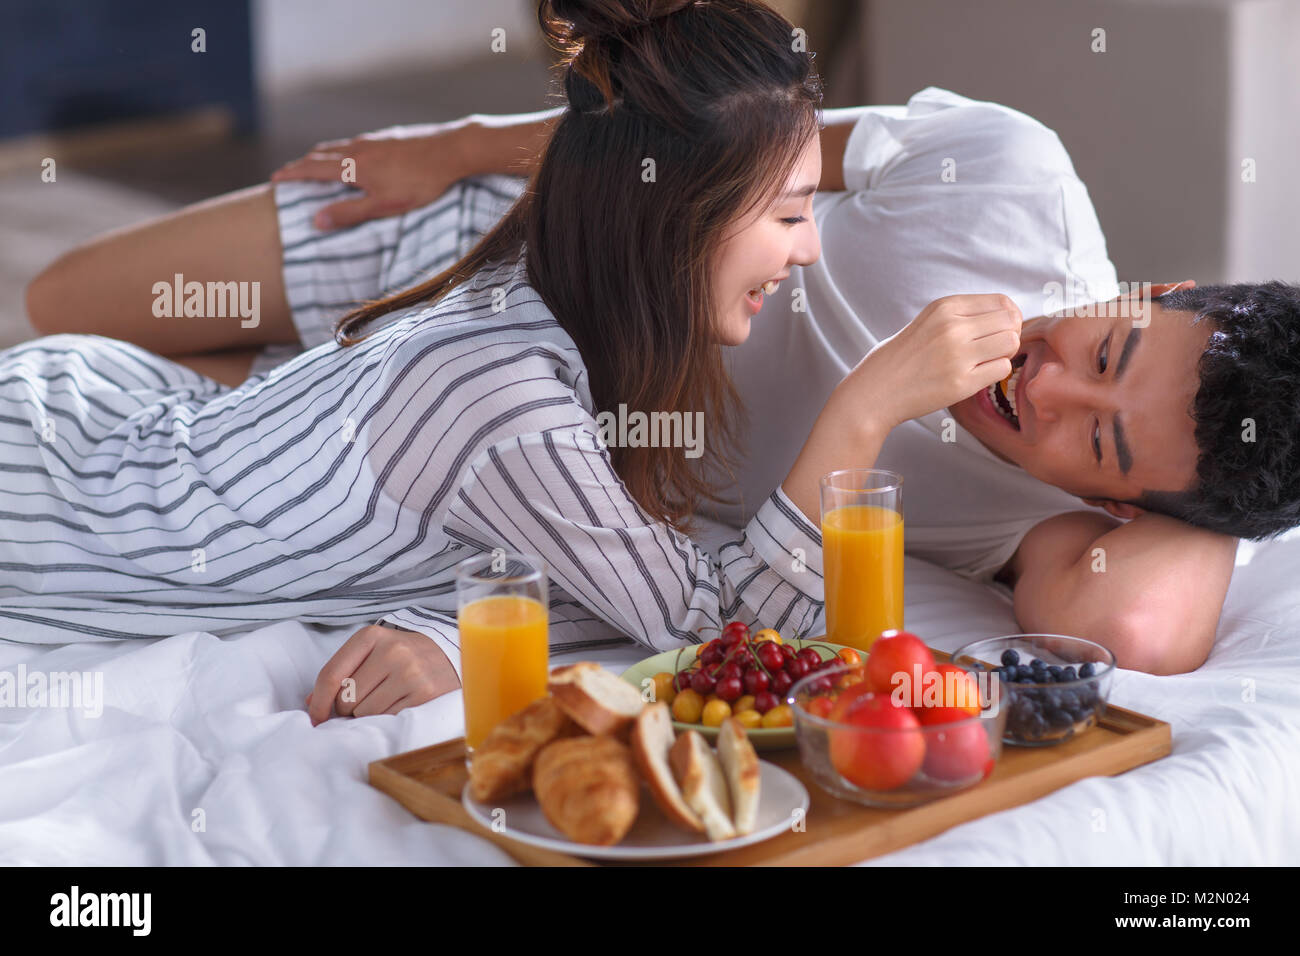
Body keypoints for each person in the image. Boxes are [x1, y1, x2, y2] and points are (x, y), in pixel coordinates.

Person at [12, 0, 1024, 722]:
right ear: (676, 216)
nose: (807, 251)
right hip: (42, 481)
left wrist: (449, 629)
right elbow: (715, 636)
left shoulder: (552, 307)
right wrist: (865, 406)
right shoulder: (510, 401)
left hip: (105, 417)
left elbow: (607, 559)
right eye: (793, 214)